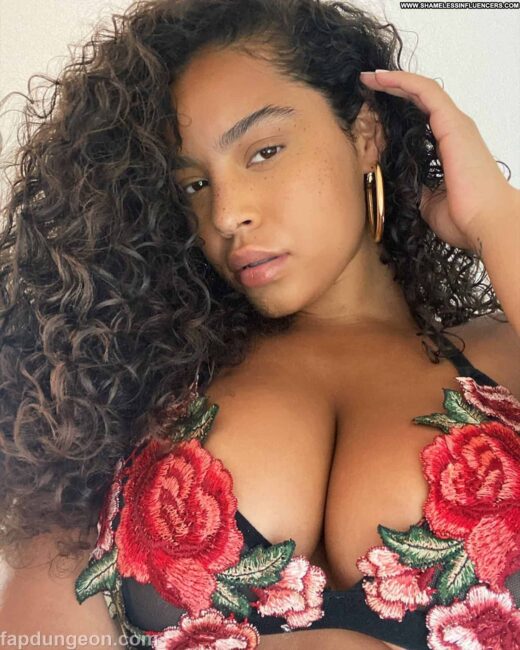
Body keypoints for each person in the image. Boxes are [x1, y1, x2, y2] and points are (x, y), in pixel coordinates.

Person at [0, 0, 519, 648]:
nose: (227, 214)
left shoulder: (507, 360)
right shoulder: (114, 399)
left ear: (364, 135)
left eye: (264, 151)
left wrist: (495, 219)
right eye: (194, 185)